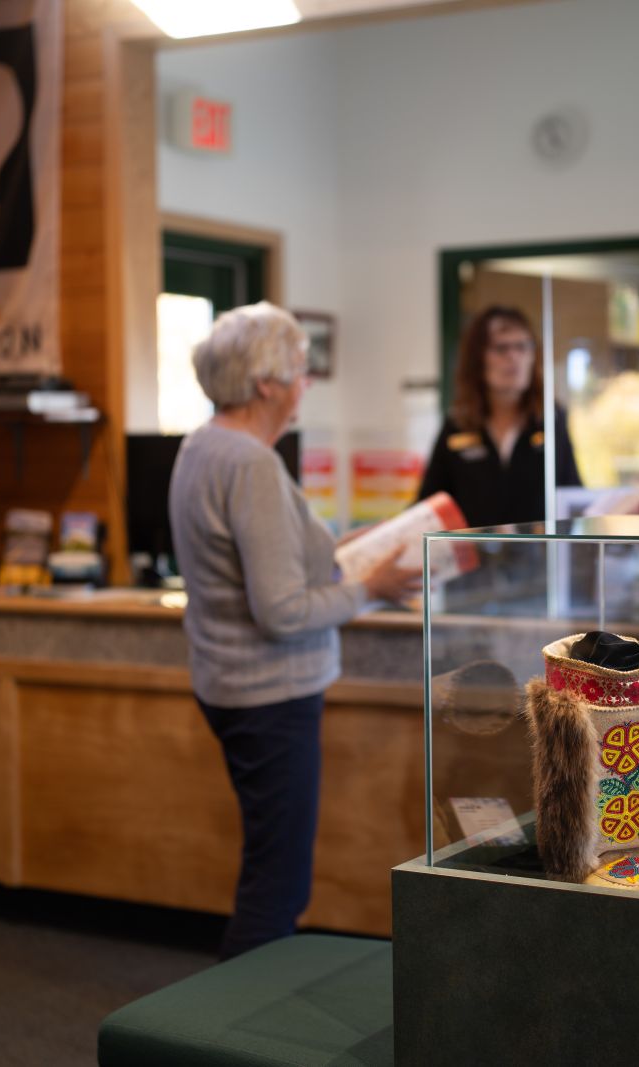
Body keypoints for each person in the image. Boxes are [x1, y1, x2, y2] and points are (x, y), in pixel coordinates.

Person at [169, 302, 420, 959]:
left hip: (229, 685)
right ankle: (238, 1031)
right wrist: (372, 588)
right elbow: (281, 611)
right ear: (265, 384)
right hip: (268, 695)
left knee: (270, 867)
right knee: (277, 887)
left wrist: (358, 546)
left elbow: (279, 558)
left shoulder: (204, 444)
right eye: (302, 371)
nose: (307, 384)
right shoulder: (250, 463)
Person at [416, 305, 582, 527]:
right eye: (501, 348)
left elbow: (573, 497)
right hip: (475, 559)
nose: (513, 357)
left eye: (522, 347)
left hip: (540, 558)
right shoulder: (458, 425)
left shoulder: (551, 420)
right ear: (478, 359)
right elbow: (428, 505)